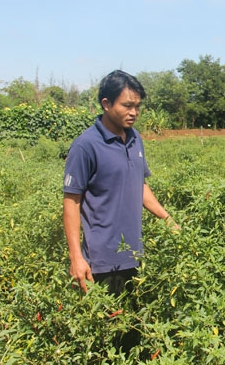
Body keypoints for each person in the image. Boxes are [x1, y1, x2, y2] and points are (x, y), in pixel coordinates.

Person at [63, 69, 177, 296]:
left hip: (134, 254)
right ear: (106, 103)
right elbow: (71, 202)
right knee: (110, 327)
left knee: (134, 325)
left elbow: (140, 186)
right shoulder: (86, 146)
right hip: (103, 260)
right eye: (127, 105)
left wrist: (168, 220)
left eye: (138, 106)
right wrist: (76, 257)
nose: (134, 112)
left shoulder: (135, 138)